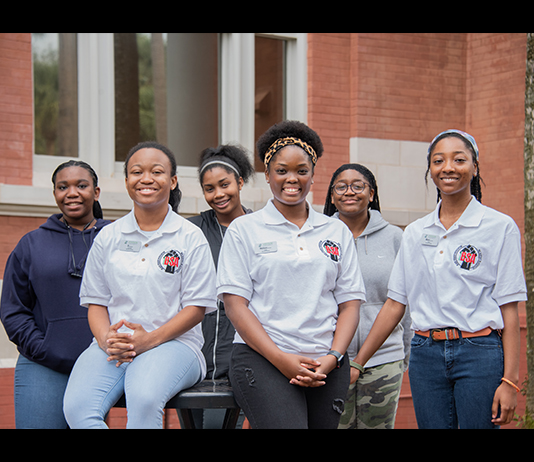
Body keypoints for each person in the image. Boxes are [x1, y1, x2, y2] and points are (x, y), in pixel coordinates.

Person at [351, 129, 527, 429]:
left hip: (479, 352)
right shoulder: (416, 232)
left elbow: (509, 309)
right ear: (430, 170)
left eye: (459, 159)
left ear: (474, 167)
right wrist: (358, 362)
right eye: (438, 160)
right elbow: (395, 303)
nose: (448, 167)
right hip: (426, 354)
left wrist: (510, 381)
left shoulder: (499, 227)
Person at [216, 120, 366, 429]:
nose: (291, 179)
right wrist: (281, 359)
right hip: (263, 358)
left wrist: (334, 356)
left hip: (326, 363)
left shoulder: (335, 230)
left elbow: (350, 303)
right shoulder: (245, 229)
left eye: (302, 170)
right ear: (268, 174)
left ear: (313, 175)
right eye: (282, 170)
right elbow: (235, 305)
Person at [63, 141, 217, 429]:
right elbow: (96, 303)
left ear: (172, 181)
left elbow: (196, 308)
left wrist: (150, 339)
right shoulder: (109, 236)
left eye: (156, 172)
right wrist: (106, 339)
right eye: (136, 172)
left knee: (145, 398)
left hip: (175, 344)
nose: (146, 178)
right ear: (126, 182)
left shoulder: (190, 237)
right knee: (77, 407)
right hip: (114, 345)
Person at [0, 160, 109, 429]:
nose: (72, 193)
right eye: (63, 187)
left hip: (102, 364)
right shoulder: (31, 243)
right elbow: (14, 308)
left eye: (81, 185)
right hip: (43, 365)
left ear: (96, 192)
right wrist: (42, 347)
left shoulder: (117, 237)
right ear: (55, 194)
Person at [324, 163, 411, 429]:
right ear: (331, 196)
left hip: (384, 358)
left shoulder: (396, 237)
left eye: (358, 185)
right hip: (330, 359)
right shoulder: (318, 235)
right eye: (341, 186)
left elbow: (404, 302)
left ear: (371, 194)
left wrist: (404, 352)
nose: (349, 191)